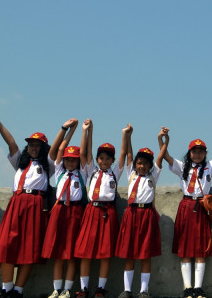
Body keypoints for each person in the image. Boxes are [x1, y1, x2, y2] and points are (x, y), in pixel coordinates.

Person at [0, 117, 66, 298]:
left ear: (43, 148)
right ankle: (6, 287)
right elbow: (11, 142)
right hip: (16, 203)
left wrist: (63, 128)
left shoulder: (48, 166)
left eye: (37, 145)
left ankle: (18, 291)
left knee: (29, 248)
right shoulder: (19, 161)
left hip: (35, 205)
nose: (33, 148)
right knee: (5, 245)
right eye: (31, 145)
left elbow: (56, 148)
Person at [162, 129, 212, 298]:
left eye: (201, 151)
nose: (197, 154)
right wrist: (163, 140)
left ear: (205, 153)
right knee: (185, 249)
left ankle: (198, 288)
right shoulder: (182, 167)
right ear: (189, 153)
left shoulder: (209, 167)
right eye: (194, 151)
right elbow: (165, 156)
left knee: (200, 249)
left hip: (202, 208)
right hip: (186, 206)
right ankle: (187, 287)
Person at [74, 120, 131, 298]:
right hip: (91, 211)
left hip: (108, 212)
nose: (104, 161)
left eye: (108, 158)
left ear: (112, 160)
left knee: (105, 253)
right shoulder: (92, 171)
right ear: (97, 159)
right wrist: (88, 131)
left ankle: (100, 288)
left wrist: (126, 134)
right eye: (101, 158)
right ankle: (83, 288)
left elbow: (124, 154)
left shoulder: (115, 173)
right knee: (85, 251)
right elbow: (85, 153)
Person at [116, 126, 168, 298]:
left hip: (147, 215)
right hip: (131, 214)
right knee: (129, 253)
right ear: (135, 164)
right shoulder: (131, 174)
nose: (142, 166)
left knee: (146, 254)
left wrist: (163, 140)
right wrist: (128, 136)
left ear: (150, 165)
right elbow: (129, 154)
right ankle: (127, 289)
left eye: (146, 163)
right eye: (140, 163)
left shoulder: (154, 176)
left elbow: (161, 157)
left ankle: (144, 290)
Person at [42, 119, 89, 298]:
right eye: (67, 160)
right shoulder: (60, 171)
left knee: (71, 253)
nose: (70, 162)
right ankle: (56, 289)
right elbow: (61, 149)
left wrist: (83, 131)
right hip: (59, 211)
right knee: (58, 253)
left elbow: (83, 152)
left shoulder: (81, 174)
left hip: (76, 212)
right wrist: (71, 129)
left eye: (73, 160)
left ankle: (68, 289)